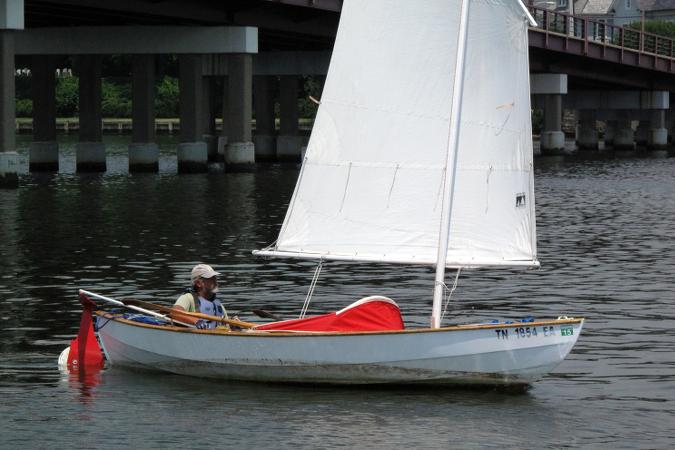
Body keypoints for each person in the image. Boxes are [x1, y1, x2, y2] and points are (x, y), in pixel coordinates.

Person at [171, 264, 228, 329]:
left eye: (214, 277)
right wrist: (196, 321)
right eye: (210, 278)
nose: (215, 280)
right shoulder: (188, 298)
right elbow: (175, 313)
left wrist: (233, 325)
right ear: (198, 283)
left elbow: (226, 327)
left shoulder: (219, 305)